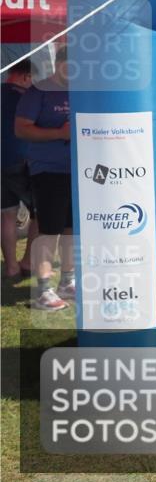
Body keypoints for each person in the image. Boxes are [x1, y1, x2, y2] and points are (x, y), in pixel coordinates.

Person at [14, 46, 74, 310]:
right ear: (58, 63)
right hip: (48, 171)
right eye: (67, 64)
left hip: (81, 173)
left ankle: (68, 282)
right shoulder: (38, 92)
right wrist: (60, 133)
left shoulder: (82, 91)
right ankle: (43, 290)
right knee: (48, 232)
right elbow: (21, 129)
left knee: (73, 231)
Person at [2, 60, 37, 280]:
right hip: (20, 161)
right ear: (25, 76)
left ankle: (11, 267)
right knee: (41, 213)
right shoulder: (25, 97)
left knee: (6, 216)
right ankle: (27, 262)